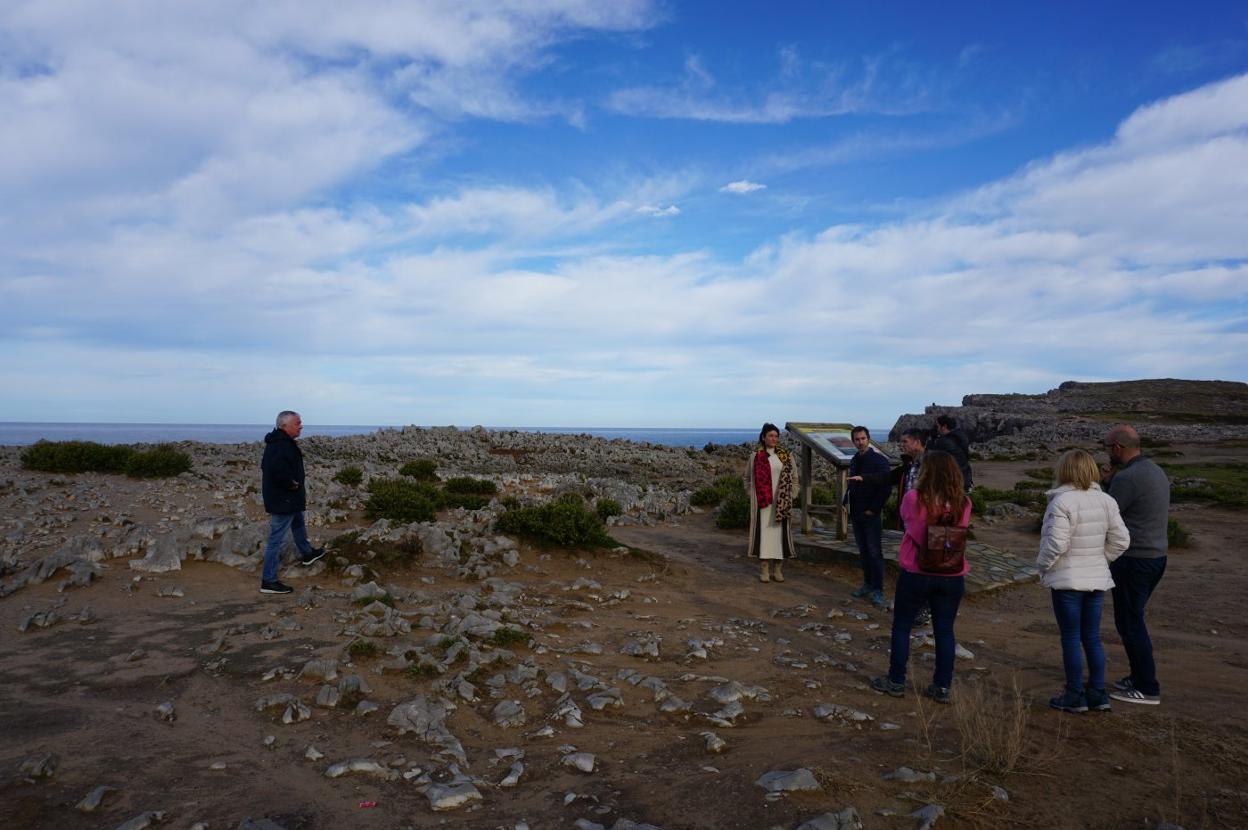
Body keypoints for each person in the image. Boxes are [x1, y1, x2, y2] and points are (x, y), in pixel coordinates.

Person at [870, 451, 970, 704]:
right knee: (944, 631)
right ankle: (942, 686)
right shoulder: (963, 503)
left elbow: (909, 526)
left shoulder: (914, 499)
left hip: (917, 571)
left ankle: (896, 681)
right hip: (952, 573)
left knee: (902, 626)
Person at [1036, 449, 1130, 713]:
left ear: (1064, 471)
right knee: (1091, 637)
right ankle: (1098, 693)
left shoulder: (1061, 502)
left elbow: (1056, 542)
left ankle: (1074, 694)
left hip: (1067, 581)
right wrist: (1101, 560)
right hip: (1096, 580)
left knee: (1070, 637)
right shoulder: (1106, 501)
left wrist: (1042, 566)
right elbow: (1122, 539)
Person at [1101, 424, 1171, 705]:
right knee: (1133, 618)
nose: (1106, 454)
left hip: (1134, 560)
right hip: (1156, 556)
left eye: (1107, 448)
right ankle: (1137, 675)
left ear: (1118, 447)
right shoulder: (1154, 470)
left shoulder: (1128, 478)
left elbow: (1108, 513)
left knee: (1130, 623)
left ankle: (1147, 686)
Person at [259, 411, 325, 594]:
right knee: (276, 541)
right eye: (297, 423)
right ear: (285, 426)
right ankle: (268, 580)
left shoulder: (281, 442)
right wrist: (291, 483)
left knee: (298, 522)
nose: (301, 426)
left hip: (289, 499)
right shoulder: (281, 445)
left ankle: (307, 553)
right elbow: (273, 469)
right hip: (284, 499)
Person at [743, 423, 799, 583]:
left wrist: (792, 494)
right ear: (763, 437)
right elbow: (746, 478)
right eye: (770, 436)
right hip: (763, 503)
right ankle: (765, 569)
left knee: (779, 537)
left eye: (776, 436)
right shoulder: (755, 456)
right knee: (764, 536)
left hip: (782, 503)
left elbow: (795, 478)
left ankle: (778, 569)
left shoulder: (786, 456)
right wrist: (751, 494)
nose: (773, 438)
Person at [846, 426, 892, 607]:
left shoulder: (879, 460)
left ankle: (878, 589)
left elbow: (885, 486)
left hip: (870, 514)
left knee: (874, 552)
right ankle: (868, 584)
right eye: (857, 439)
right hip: (856, 512)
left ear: (869, 439)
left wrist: (874, 509)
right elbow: (852, 485)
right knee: (863, 551)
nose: (860, 442)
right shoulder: (855, 459)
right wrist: (846, 503)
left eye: (863, 438)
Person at [929, 414, 973, 492]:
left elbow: (931, 458)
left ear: (944, 426)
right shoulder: (960, 437)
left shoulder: (944, 442)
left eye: (937, 426)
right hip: (964, 477)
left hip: (951, 481)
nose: (936, 429)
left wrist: (932, 440)